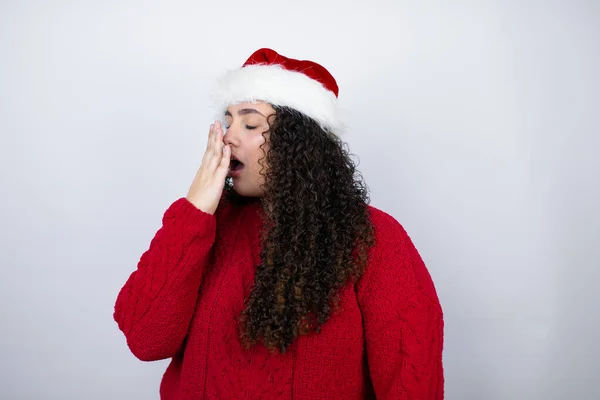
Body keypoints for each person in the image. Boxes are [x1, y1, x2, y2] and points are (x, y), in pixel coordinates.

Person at [113, 48, 444, 399]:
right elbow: (145, 340)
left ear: (299, 142)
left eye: (250, 123)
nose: (228, 136)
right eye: (228, 121)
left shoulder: (373, 238)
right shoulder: (203, 225)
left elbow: (412, 382)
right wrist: (194, 211)